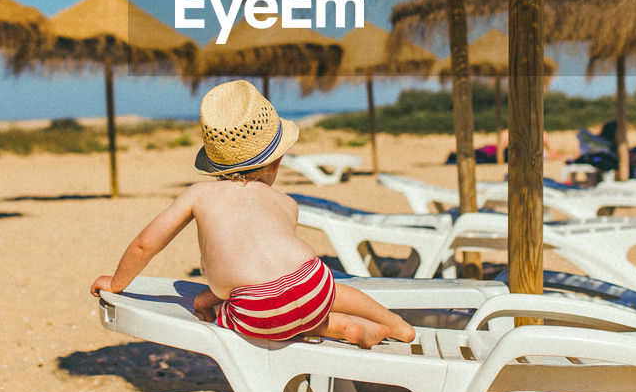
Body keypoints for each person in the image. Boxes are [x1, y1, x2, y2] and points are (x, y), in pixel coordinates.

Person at [90, 80, 416, 348]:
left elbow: (145, 245)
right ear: (276, 162)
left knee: (237, 311)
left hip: (256, 309)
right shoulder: (285, 202)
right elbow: (276, 270)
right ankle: (395, 324)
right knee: (336, 292)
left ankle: (343, 328)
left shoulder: (197, 195)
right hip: (313, 286)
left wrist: (117, 283)